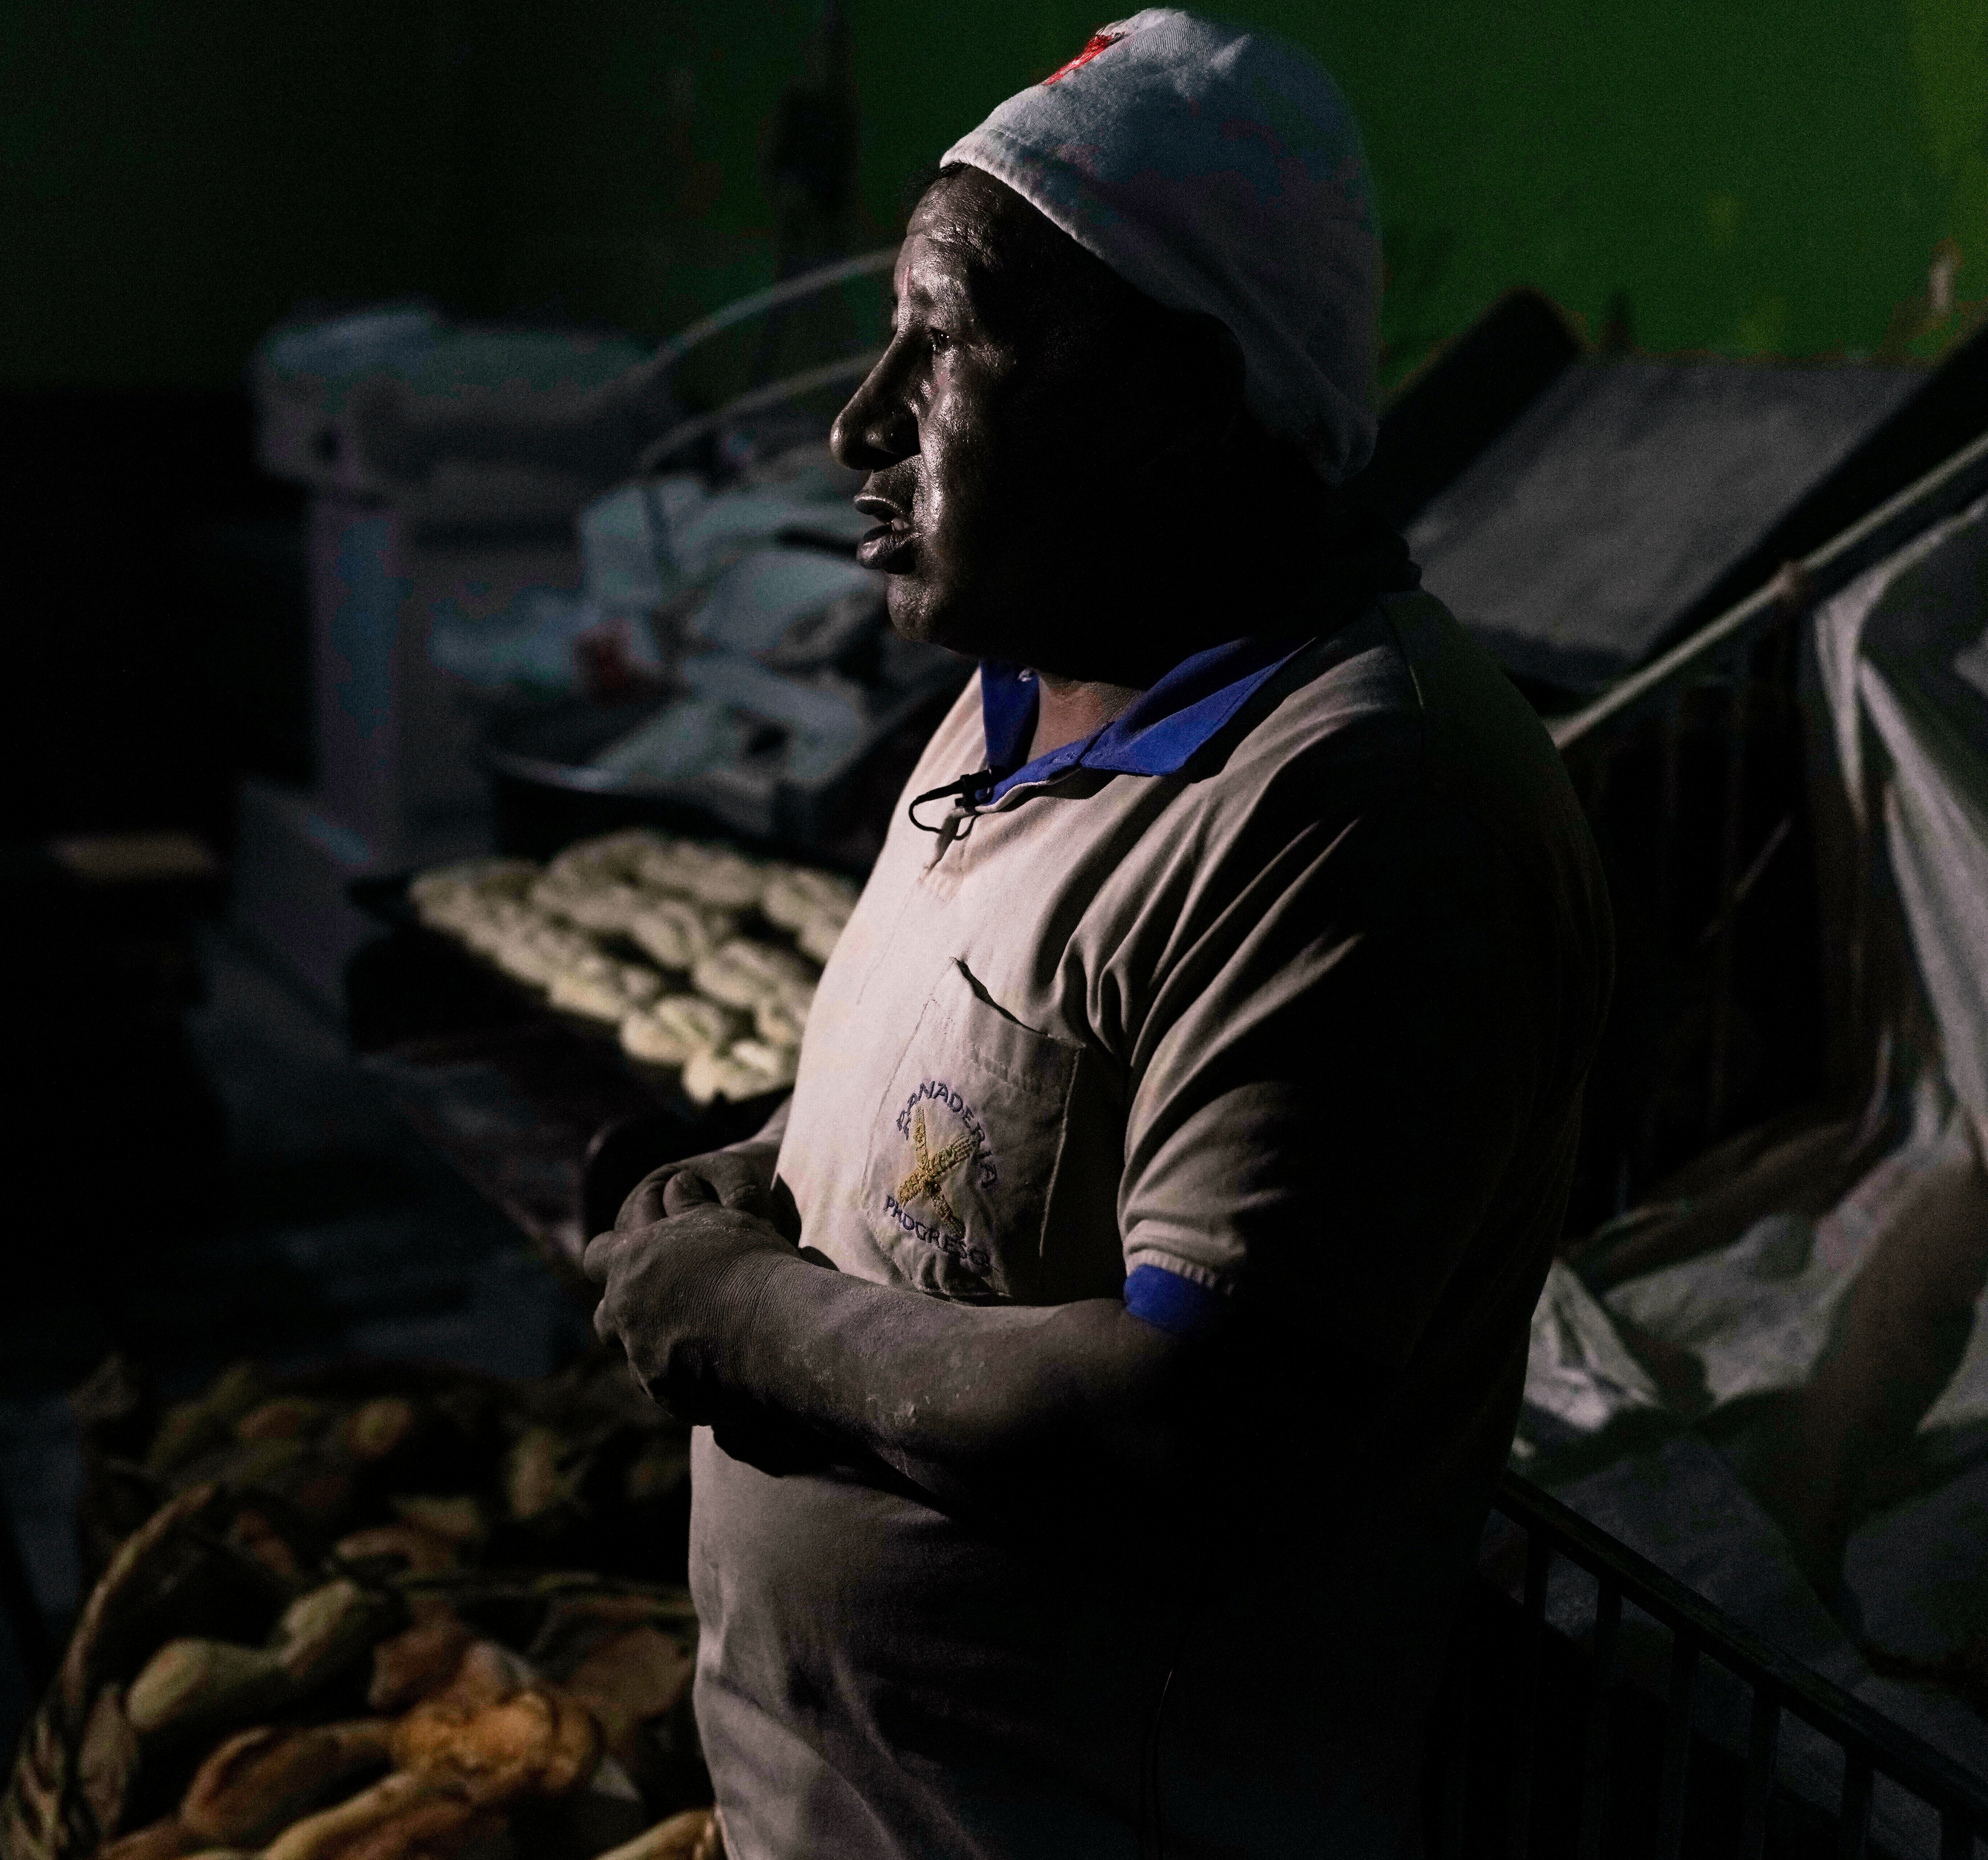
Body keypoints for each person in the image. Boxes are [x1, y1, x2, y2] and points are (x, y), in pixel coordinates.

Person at [580, 12, 1613, 1855]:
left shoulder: (1363, 806)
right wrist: (775, 1178)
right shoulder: (1021, 695)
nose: (858, 422)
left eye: (941, 343)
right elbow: (1007, 1127)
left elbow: (1196, 1416)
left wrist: (745, 1319)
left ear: (1172, 395)